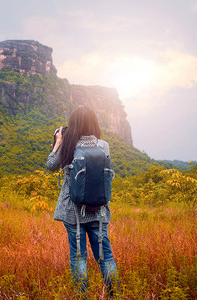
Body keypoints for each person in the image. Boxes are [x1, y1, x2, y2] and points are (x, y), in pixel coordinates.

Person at [46, 106, 121, 298]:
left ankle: (81, 296)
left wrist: (58, 142)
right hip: (99, 212)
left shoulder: (69, 145)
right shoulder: (103, 146)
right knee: (105, 257)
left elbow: (51, 166)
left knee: (78, 258)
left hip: (73, 211)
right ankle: (115, 296)